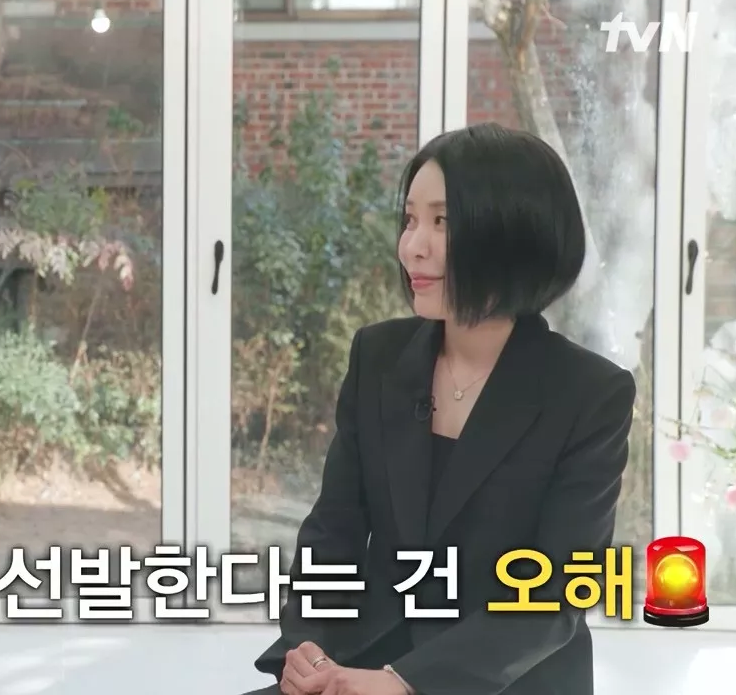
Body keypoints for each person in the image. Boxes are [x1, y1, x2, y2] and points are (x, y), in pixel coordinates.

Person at [244, 123, 636, 695]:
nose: (412, 246)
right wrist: (309, 648)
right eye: (409, 220)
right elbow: (334, 533)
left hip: (504, 680)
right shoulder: (378, 356)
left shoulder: (590, 393)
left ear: (513, 233)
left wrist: (402, 682)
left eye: (442, 222)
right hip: (360, 662)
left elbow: (555, 594)